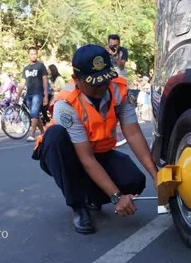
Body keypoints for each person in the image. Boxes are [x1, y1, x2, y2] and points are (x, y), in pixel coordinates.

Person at [33, 44, 157, 234]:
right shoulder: (66, 103)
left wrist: (157, 177)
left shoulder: (118, 89)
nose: (102, 87)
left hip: (99, 153)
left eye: (105, 80)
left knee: (134, 181)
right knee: (56, 136)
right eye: (94, 83)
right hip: (67, 155)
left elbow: (133, 134)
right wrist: (116, 197)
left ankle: (93, 197)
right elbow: (86, 159)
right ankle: (78, 206)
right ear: (76, 79)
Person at [16, 47, 49, 141]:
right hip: (29, 94)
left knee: (34, 113)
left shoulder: (40, 66)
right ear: (28, 55)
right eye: (31, 54)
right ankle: (43, 133)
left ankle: (32, 134)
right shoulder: (26, 68)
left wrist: (45, 95)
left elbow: (45, 80)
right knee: (35, 114)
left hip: (38, 93)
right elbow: (22, 83)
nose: (33, 55)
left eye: (35, 53)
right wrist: (18, 95)